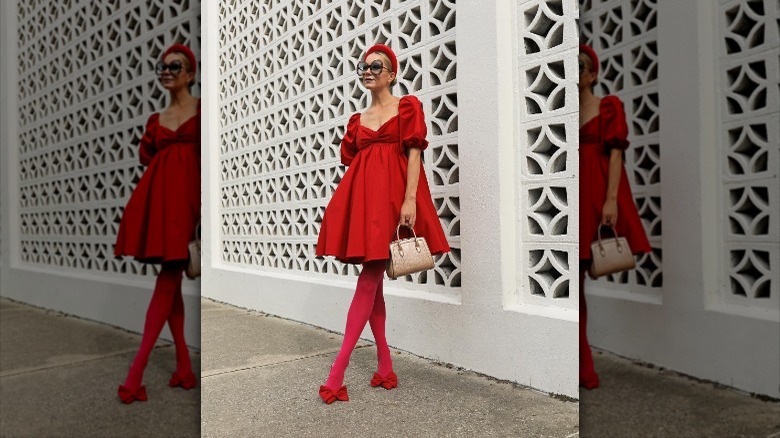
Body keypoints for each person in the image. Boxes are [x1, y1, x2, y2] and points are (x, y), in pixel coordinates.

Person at [315, 44, 450, 404]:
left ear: (392, 74)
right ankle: (385, 366)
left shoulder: (407, 107)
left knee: (370, 278)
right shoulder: (357, 121)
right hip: (365, 204)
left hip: (394, 201)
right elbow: (355, 163)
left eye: (377, 65)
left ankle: (338, 371)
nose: (368, 69)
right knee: (374, 283)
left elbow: (414, 154)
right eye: (363, 65)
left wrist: (409, 201)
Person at [114, 44, 200, 404]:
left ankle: (135, 374)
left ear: (190, 73)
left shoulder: (202, 110)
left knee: (167, 281)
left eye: (174, 66)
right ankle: (182, 367)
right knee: (170, 280)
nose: (166, 71)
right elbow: (148, 158)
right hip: (161, 206)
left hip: (189, 205)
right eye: (161, 67)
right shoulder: (156, 121)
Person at [578, 44, 651, 389]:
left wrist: (611, 202)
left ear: (593, 74)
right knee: (574, 288)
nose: (575, 73)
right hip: (573, 197)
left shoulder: (608, 107)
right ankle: (583, 365)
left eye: (581, 67)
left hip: (598, 195)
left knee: (585, 277)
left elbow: (617, 157)